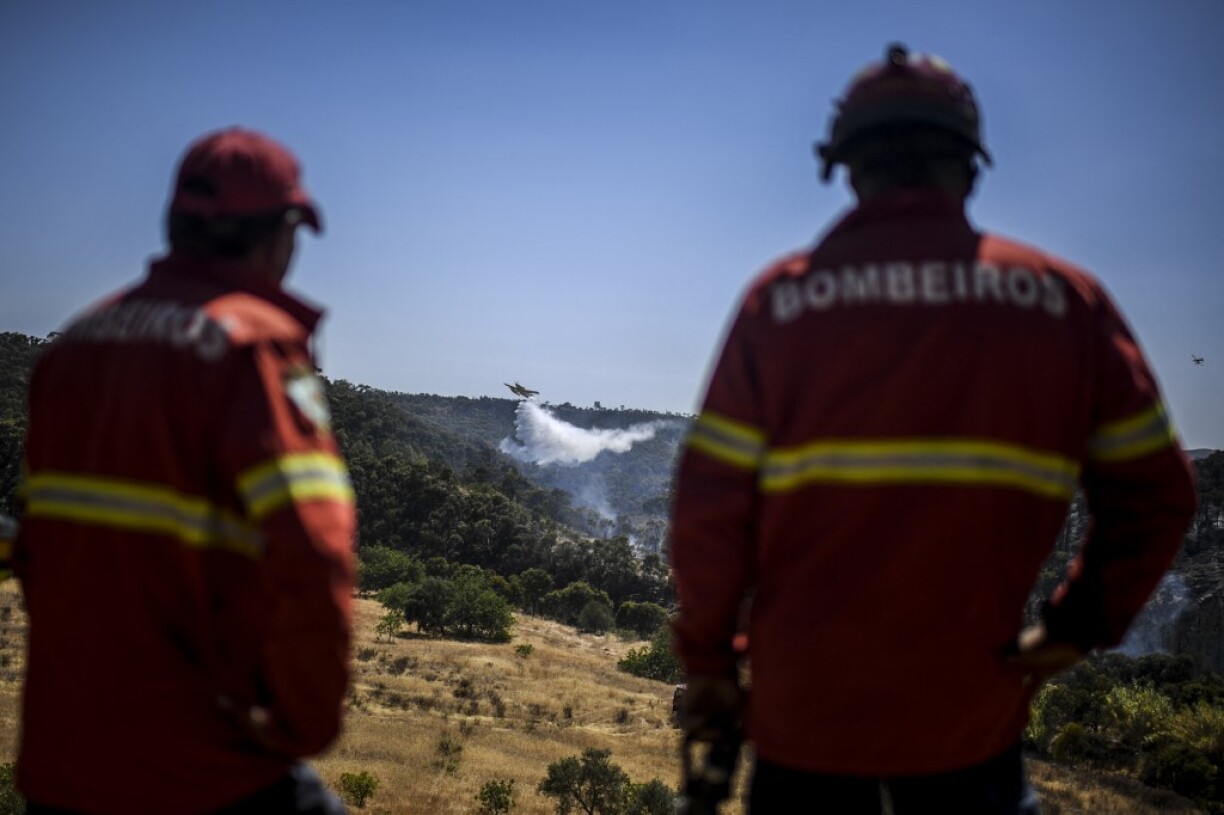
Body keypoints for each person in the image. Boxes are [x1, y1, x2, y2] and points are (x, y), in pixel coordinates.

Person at [669, 44, 1197, 814]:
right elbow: (1158, 493)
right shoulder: (1066, 303)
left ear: (847, 168)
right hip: (971, 735)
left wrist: (712, 666)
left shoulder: (777, 304)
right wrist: (1071, 629)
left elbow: (706, 513)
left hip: (804, 738)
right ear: (971, 164)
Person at [13, 128, 357, 813]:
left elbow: (39, 543)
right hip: (203, 770)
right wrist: (303, 723)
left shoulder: (75, 344)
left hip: (62, 764)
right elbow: (315, 551)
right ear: (278, 232)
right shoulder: (252, 348)